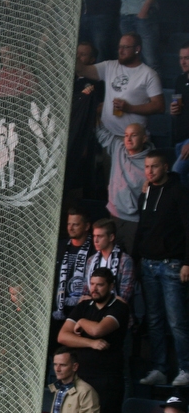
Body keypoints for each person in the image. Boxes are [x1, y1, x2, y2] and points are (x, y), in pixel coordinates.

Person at [57, 268, 129, 413]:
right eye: (93, 284)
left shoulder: (118, 307)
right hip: (82, 378)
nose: (94, 289)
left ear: (111, 286)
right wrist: (90, 343)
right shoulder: (84, 305)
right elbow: (63, 336)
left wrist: (81, 322)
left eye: (100, 285)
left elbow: (98, 330)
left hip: (107, 379)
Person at [134, 151, 189, 387]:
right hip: (148, 264)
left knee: (176, 320)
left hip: (172, 264)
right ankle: (160, 368)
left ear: (165, 166)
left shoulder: (178, 191)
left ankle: (185, 369)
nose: (149, 171)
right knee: (154, 320)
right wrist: (136, 259)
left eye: (154, 166)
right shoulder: (146, 193)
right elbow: (143, 228)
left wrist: (187, 261)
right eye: (147, 167)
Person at [75, 33, 164, 139]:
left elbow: (159, 106)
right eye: (120, 47)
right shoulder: (109, 66)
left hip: (132, 138)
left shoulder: (148, 74)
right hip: (107, 134)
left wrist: (130, 108)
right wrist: (68, 49)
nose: (121, 51)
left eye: (126, 47)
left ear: (137, 49)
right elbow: (82, 70)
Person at [98, 121, 154, 251]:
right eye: (126, 135)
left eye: (133, 135)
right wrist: (97, 112)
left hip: (134, 220)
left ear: (144, 138)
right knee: (111, 260)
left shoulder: (151, 162)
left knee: (129, 260)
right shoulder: (119, 147)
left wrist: (151, 182)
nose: (128, 139)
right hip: (114, 215)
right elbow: (100, 132)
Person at [66, 42, 104, 198]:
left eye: (83, 54)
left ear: (92, 59)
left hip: (88, 135)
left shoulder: (99, 83)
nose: (78, 57)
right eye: (77, 53)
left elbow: (102, 106)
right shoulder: (67, 79)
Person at [54, 208, 95, 329]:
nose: (70, 228)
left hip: (82, 310)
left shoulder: (94, 249)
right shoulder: (60, 246)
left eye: (75, 225)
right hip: (58, 307)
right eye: (68, 224)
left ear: (87, 226)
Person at [83, 218, 135, 303]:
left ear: (111, 237)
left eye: (100, 236)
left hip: (116, 311)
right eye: (94, 236)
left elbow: (125, 295)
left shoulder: (125, 260)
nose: (95, 240)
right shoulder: (91, 260)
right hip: (93, 310)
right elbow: (85, 292)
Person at [170, 43, 189, 184]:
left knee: (176, 172)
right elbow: (178, 107)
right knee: (181, 180)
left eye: (187, 58)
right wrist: (173, 110)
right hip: (179, 137)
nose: (183, 61)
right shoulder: (180, 79)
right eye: (181, 58)